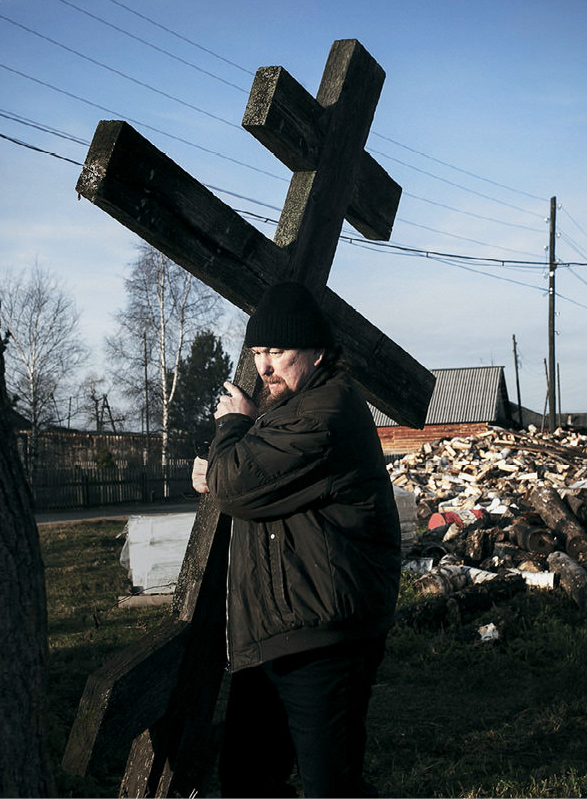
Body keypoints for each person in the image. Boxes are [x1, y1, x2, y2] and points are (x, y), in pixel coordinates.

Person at [190, 281, 401, 798]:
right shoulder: (287, 415)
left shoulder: (326, 413)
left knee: (331, 787)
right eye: (258, 352)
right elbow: (242, 479)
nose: (264, 367)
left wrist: (231, 437)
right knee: (245, 780)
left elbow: (238, 484)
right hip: (276, 633)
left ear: (317, 351)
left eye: (277, 352)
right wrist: (226, 464)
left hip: (326, 636)